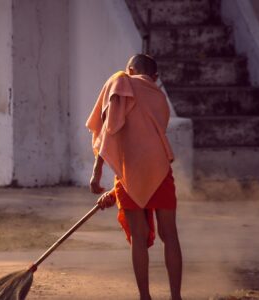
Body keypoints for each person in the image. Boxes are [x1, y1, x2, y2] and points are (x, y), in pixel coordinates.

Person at [86, 54, 182, 300]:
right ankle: (176, 297)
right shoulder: (159, 97)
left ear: (130, 69)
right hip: (159, 167)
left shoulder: (121, 81)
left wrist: (97, 172)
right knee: (169, 235)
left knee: (138, 238)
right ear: (155, 77)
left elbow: (110, 128)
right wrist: (113, 192)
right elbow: (148, 134)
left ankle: (145, 297)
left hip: (129, 168)